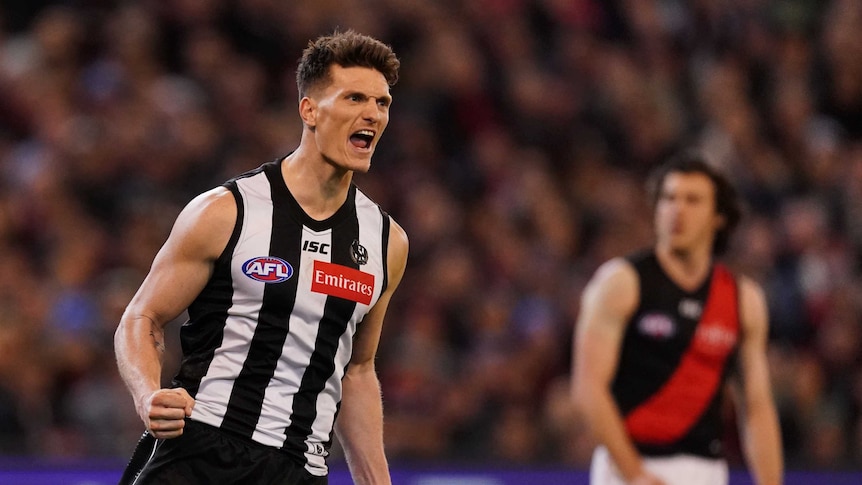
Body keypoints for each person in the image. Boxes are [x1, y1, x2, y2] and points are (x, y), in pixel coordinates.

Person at [114, 30, 407, 485]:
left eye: (382, 103)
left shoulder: (387, 242)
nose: (372, 113)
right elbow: (142, 317)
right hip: (200, 451)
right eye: (354, 98)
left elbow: (358, 370)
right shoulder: (226, 210)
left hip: (298, 470)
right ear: (309, 110)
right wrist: (147, 395)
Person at [571, 152, 783, 485]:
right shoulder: (621, 284)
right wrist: (634, 473)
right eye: (668, 199)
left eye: (693, 200)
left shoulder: (743, 300)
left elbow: (756, 406)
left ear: (718, 217)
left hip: (706, 469)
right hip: (630, 466)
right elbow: (589, 387)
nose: (677, 210)